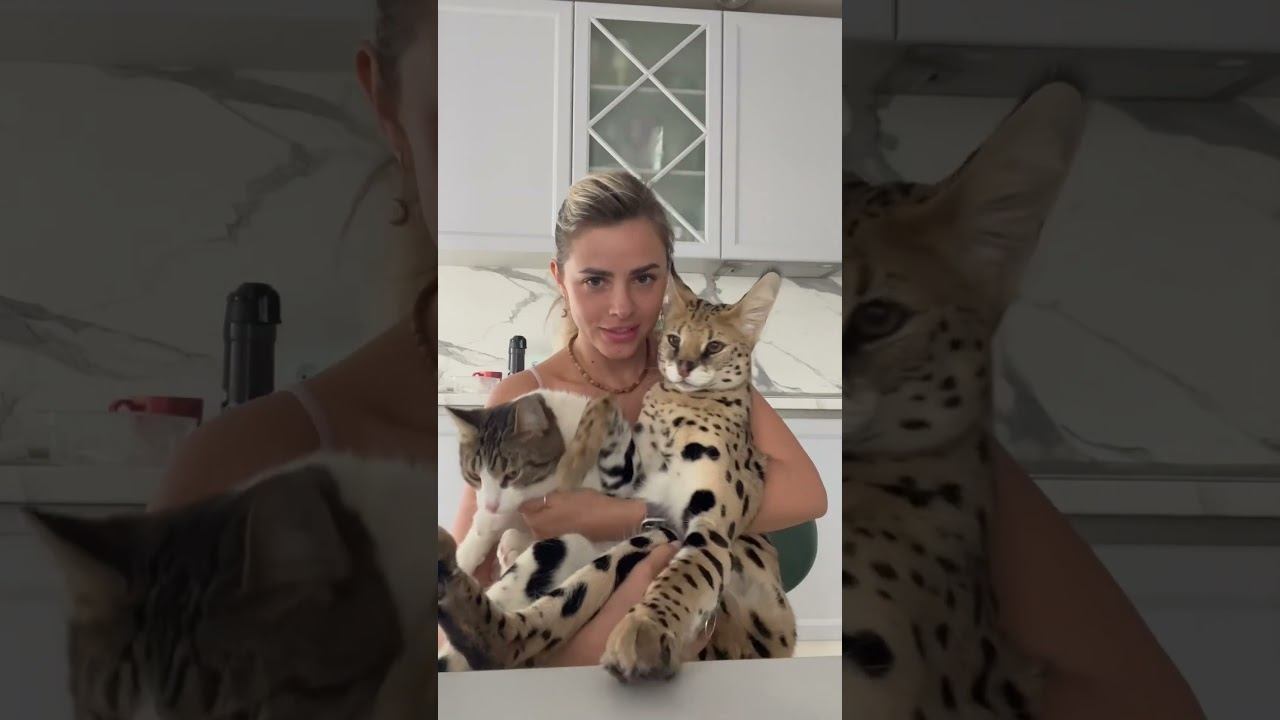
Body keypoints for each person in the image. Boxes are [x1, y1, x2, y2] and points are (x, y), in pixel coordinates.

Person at [148, 1, 1205, 714]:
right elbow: (485, 549)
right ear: (389, 106)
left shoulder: (842, 412)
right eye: (500, 102)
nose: (572, 176)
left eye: (623, 114)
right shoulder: (257, 474)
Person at [446, 170, 830, 665]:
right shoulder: (524, 398)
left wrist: (620, 514)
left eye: (645, 278)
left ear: (668, 278)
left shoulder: (704, 379)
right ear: (559, 278)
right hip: (565, 662)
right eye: (595, 281)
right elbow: (462, 583)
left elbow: (808, 493)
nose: (621, 307)